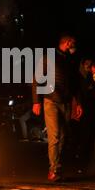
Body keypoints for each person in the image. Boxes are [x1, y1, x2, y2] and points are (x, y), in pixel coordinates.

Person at [32, 34, 79, 181]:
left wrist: (78, 103)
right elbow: (36, 79)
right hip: (50, 101)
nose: (75, 46)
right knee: (55, 136)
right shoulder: (49, 57)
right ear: (67, 42)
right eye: (73, 43)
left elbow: (75, 82)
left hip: (65, 102)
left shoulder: (70, 60)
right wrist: (36, 101)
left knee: (64, 137)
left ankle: (57, 168)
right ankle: (53, 170)